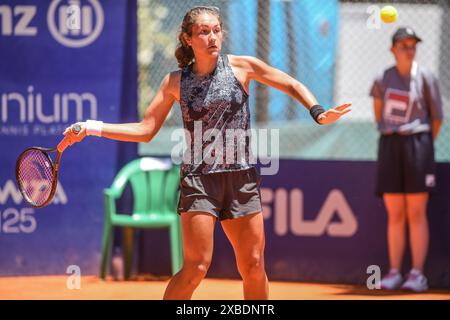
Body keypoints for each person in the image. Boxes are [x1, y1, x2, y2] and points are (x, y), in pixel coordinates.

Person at [63, 6, 351, 300]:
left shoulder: (242, 66)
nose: (212, 37)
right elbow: (145, 129)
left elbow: (289, 83)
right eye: (203, 31)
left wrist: (318, 112)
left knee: (253, 265)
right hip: (200, 181)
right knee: (197, 266)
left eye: (216, 30)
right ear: (188, 39)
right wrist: (91, 127)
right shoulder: (175, 82)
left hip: (241, 179)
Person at [370, 27, 443, 292]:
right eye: (403, 45)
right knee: (395, 212)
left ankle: (417, 274)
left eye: (413, 45)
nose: (409, 50)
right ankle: (393, 272)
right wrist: (395, 136)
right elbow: (378, 115)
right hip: (390, 144)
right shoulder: (382, 78)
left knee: (416, 211)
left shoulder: (426, 77)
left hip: (418, 145)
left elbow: (437, 118)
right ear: (393, 49)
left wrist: (420, 146)